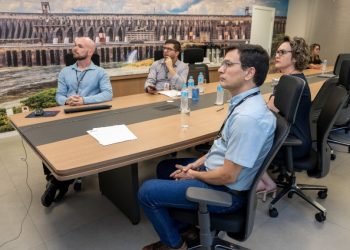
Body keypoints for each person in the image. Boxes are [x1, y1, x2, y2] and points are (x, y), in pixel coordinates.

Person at [138, 44, 276, 250]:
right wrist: (197, 162)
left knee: (146, 192)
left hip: (226, 191)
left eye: (228, 64)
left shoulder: (248, 118)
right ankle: (185, 229)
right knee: (165, 168)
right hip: (218, 172)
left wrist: (194, 175)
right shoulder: (245, 101)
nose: (220, 69)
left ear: (249, 72)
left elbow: (228, 176)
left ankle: (174, 244)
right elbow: (222, 144)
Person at [41, 37, 113, 207]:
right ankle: (57, 178)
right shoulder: (65, 72)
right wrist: (66, 101)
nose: (74, 48)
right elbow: (59, 95)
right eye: (74, 45)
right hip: (67, 115)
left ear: (90, 51)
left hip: (89, 117)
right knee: (46, 140)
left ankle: (59, 182)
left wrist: (84, 100)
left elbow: (108, 94)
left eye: (79, 46)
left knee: (76, 144)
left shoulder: (100, 72)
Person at [258, 36, 312, 195]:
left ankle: (267, 184)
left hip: (292, 143)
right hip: (295, 136)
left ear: (295, 57)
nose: (277, 55)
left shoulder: (291, 83)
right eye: (276, 52)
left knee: (247, 137)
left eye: (282, 52)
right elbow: (272, 106)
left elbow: (270, 108)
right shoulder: (294, 79)